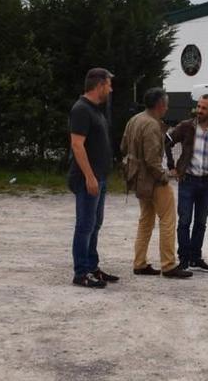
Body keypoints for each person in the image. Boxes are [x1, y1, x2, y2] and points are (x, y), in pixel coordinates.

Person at [121, 87, 193, 279]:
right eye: (166, 104)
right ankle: (168, 265)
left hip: (137, 178)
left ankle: (139, 262)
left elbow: (123, 146)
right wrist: (163, 177)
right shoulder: (152, 125)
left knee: (145, 220)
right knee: (168, 220)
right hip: (153, 180)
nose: (167, 107)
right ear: (160, 105)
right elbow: (152, 160)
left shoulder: (134, 120)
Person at [165, 94, 208, 273]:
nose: (199, 111)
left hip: (207, 182)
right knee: (184, 221)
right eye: (198, 107)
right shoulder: (185, 126)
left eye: (204, 108)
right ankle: (184, 259)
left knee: (201, 222)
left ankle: (195, 257)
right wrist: (172, 167)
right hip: (188, 180)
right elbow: (166, 142)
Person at [68, 68, 119, 288]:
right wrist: (89, 176)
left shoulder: (96, 109)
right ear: (99, 85)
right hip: (87, 178)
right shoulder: (81, 109)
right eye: (108, 84)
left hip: (100, 176)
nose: (111, 88)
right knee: (85, 225)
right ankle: (81, 273)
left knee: (95, 223)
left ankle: (91, 266)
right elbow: (77, 145)